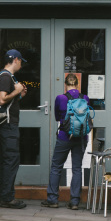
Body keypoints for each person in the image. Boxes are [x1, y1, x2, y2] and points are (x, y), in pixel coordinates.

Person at [42, 73, 89, 210]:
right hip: (81, 137)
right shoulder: (84, 98)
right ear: (77, 84)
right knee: (77, 168)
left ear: (65, 84)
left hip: (64, 136)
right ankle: (74, 201)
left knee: (56, 166)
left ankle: (53, 199)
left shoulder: (61, 98)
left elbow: (57, 117)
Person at [0, 49, 28, 209]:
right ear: (16, 59)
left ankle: (3, 196)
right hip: (8, 126)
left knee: (5, 160)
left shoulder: (5, 77)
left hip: (6, 126)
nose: (21, 64)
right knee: (10, 160)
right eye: (21, 61)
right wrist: (16, 91)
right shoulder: (6, 77)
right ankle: (7, 198)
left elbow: (6, 100)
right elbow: (2, 99)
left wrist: (18, 95)